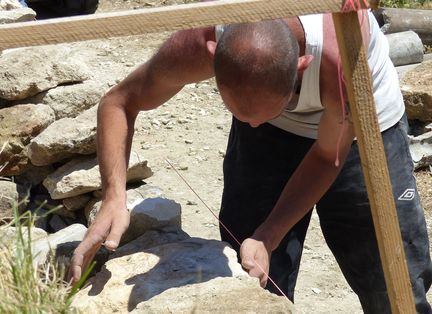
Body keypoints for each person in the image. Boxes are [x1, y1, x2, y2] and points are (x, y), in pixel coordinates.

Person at [69, 9, 432, 313]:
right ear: (213, 56)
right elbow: (119, 102)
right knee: (250, 283)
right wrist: (114, 197)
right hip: (270, 142)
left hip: (364, 132)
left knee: (392, 281)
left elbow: (326, 155)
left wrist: (268, 234)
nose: (251, 122)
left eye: (260, 113)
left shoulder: (338, 59)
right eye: (241, 114)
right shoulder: (201, 40)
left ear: (302, 66)